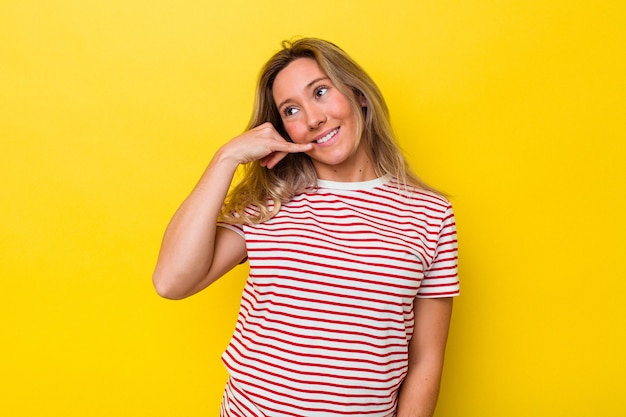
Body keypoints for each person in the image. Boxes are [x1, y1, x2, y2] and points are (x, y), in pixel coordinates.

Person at [153, 37, 459, 417]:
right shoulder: (269, 203)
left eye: (320, 92)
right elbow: (170, 281)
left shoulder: (430, 214)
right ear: (283, 130)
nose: (313, 118)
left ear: (357, 95)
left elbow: (427, 360)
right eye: (292, 110)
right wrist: (226, 157)